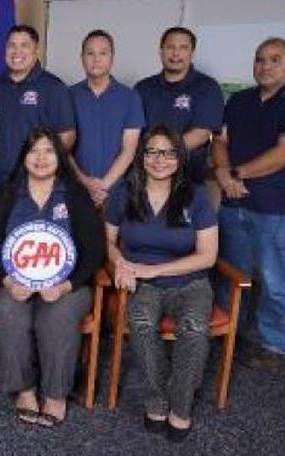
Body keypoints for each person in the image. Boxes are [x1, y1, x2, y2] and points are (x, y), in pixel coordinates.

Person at [0, 127, 104, 428]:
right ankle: (23, 389)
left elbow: (95, 250)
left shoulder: (75, 194)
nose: (41, 158)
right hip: (14, 280)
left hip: (67, 283)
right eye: (34, 150)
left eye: (49, 150)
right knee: (9, 311)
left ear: (59, 157)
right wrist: (7, 281)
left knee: (58, 316)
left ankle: (56, 393)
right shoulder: (7, 192)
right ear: (23, 157)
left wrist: (65, 286)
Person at [212, 37, 285, 369]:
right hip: (234, 206)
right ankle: (224, 329)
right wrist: (221, 171)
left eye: (275, 59)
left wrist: (236, 172)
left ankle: (274, 344)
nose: (265, 65)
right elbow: (221, 140)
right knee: (230, 275)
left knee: (277, 281)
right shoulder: (240, 100)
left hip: (280, 212)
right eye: (260, 59)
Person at [105, 125, 218, 441]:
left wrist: (154, 270)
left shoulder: (195, 196)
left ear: (179, 158)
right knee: (140, 324)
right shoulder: (124, 192)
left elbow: (208, 256)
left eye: (169, 152)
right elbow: (109, 242)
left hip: (190, 282)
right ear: (142, 157)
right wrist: (121, 262)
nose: (160, 159)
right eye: (152, 151)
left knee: (195, 328)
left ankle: (180, 406)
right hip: (143, 283)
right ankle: (156, 401)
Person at [0, 25, 75, 195]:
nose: (16, 51)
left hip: (37, 180)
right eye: (11, 45)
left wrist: (43, 167)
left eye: (24, 45)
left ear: (36, 50)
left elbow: (67, 135)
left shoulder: (54, 87)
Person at [134, 27, 224, 184]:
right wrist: (152, 159)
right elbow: (133, 132)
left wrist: (159, 156)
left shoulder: (207, 87)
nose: (176, 54)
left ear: (192, 52)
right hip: (144, 179)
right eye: (170, 47)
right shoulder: (142, 87)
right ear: (161, 51)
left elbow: (200, 134)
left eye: (183, 48)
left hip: (187, 180)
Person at [68, 30, 144, 206]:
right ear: (82, 58)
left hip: (117, 191)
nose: (96, 59)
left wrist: (103, 186)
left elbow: (129, 149)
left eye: (103, 53)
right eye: (90, 53)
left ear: (112, 58)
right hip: (77, 188)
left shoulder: (130, 97)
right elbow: (63, 148)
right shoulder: (67, 96)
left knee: (113, 234)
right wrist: (85, 182)